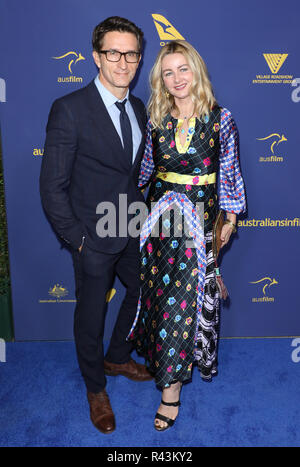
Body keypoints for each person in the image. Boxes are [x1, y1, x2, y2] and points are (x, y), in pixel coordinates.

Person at [40, 16, 152, 435]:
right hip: (92, 234)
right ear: (96, 57)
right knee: (91, 312)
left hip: (132, 224)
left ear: (140, 59)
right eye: (113, 52)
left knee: (143, 289)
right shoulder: (69, 109)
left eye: (132, 54)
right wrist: (79, 241)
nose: (123, 62)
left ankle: (118, 355)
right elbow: (52, 186)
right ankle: (95, 386)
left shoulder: (139, 107)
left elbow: (131, 174)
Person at [129, 40, 246, 431]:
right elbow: (144, 171)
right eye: (168, 72)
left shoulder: (220, 118)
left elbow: (228, 171)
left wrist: (229, 220)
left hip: (201, 221)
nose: (177, 78)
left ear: (196, 71)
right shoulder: (157, 118)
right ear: (160, 80)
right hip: (161, 221)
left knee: (183, 300)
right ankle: (167, 367)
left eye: (183, 69)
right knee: (162, 300)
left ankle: (171, 391)